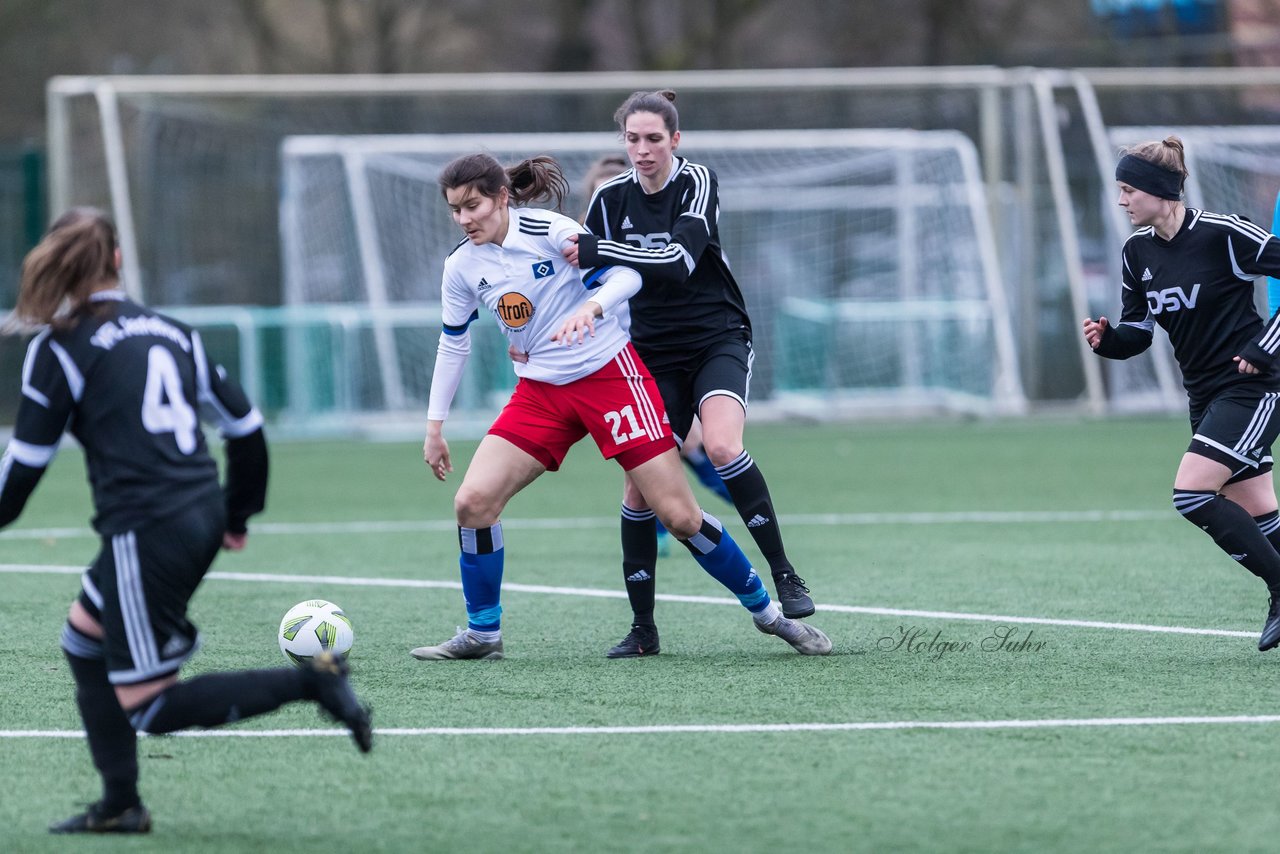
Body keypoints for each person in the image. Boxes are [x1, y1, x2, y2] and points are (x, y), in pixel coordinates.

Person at [0, 209, 373, 835]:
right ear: (118, 259)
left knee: (148, 705)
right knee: (84, 639)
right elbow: (248, 429)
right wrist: (236, 512)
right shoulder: (174, 331)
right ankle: (120, 804)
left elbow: (22, 472)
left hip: (145, 529)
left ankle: (313, 683)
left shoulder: (58, 347)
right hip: (194, 510)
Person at [408, 153, 831, 662]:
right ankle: (483, 634)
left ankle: (770, 615)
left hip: (611, 379)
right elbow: (453, 342)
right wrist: (435, 427)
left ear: (501, 197)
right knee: (471, 504)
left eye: (472, 206)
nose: (464, 219)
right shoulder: (462, 265)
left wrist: (591, 307)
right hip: (541, 393)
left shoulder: (549, 230)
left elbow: (626, 277)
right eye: (455, 210)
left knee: (679, 516)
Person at [563, 90, 816, 660]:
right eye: (632, 139)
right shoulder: (608, 197)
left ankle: (785, 574)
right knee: (638, 488)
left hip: (715, 336)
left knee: (723, 446)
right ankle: (644, 629)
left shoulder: (697, 181)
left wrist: (602, 248)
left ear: (675, 140)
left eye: (654, 138)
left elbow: (679, 262)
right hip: (649, 352)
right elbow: (582, 274)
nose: (643, 149)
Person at [1083, 136, 1280, 652]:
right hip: (1205, 397)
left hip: (1254, 387)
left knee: (1191, 493)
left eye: (1128, 189)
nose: (1122, 200)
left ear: (1159, 190)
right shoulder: (1136, 253)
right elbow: (1139, 332)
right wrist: (1111, 341)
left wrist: (1265, 346)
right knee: (1259, 512)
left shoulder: (1223, 234)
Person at [579, 153, 733, 559]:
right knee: (646, 447)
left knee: (682, 443)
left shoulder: (677, 239)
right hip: (618, 353)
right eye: (601, 196)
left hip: (665, 347)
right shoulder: (586, 246)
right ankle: (663, 528)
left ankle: (727, 495)